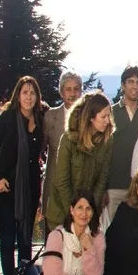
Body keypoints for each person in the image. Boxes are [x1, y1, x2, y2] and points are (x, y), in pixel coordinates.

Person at [0, 76, 46, 275]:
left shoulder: (40, 119)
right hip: (5, 191)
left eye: (32, 92)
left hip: (28, 190)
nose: (28, 97)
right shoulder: (7, 119)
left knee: (26, 242)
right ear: (18, 95)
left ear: (37, 96)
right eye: (25, 92)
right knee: (8, 243)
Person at [45, 92, 115, 232]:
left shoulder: (107, 140)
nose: (107, 121)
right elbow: (62, 181)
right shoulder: (68, 139)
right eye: (103, 116)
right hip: (61, 215)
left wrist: (89, 213)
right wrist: (75, 214)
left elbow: (101, 181)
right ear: (90, 118)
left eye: (109, 116)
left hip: (87, 217)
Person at [106, 66, 138, 221]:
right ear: (123, 85)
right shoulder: (110, 113)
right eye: (130, 82)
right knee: (111, 235)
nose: (134, 86)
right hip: (113, 186)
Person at [41, 71, 83, 210]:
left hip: (81, 189)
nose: (72, 93)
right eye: (68, 89)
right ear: (61, 92)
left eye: (76, 89)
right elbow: (39, 149)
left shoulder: (90, 119)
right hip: (54, 187)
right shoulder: (50, 116)